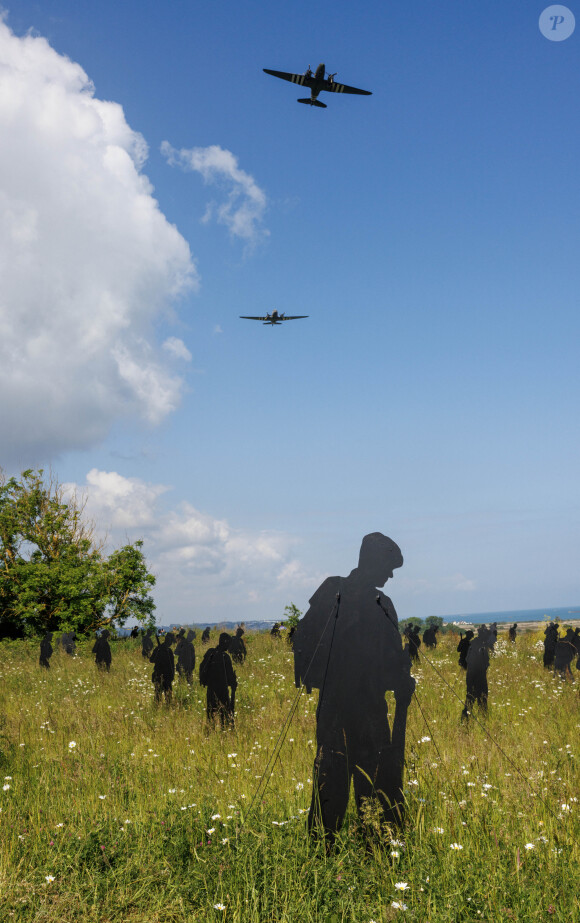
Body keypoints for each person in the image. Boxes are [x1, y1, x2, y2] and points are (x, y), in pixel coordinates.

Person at [293, 532, 415, 843]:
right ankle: (350, 852)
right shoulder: (360, 599)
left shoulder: (342, 595)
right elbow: (305, 640)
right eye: (388, 567)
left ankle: (338, 852)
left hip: (348, 709)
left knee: (348, 790)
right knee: (352, 788)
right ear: (373, 562)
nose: (389, 575)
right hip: (356, 711)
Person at [199, 633, 237, 728]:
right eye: (228, 643)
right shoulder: (225, 657)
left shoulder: (210, 653)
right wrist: (233, 683)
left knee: (210, 713)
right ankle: (224, 731)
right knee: (224, 713)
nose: (229, 646)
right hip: (222, 690)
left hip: (211, 689)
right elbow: (229, 677)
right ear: (225, 642)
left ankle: (210, 730)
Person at [461, 628, 490, 719]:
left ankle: (466, 717)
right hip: (479, 675)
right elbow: (485, 663)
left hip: (470, 675)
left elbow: (467, 659)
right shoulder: (481, 646)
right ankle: (483, 718)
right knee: (482, 698)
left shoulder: (472, 644)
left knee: (470, 697)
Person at [150, 632, 175, 705]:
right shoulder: (159, 649)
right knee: (158, 696)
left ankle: (167, 710)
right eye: (171, 641)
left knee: (168, 698)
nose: (171, 643)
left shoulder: (169, 651)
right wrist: (158, 652)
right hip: (159, 675)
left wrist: (172, 676)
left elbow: (172, 665)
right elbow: (152, 660)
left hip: (167, 676)